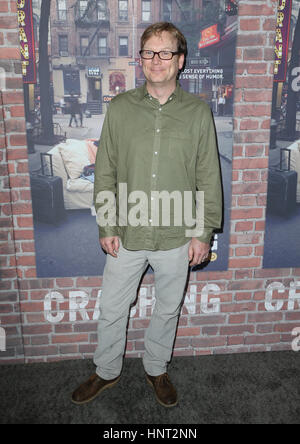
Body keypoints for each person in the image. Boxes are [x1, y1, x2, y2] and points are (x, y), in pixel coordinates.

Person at [71, 22, 222, 408]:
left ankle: (156, 367)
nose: (156, 60)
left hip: (177, 235)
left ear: (180, 60)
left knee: (168, 307)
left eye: (165, 52)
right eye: (148, 52)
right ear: (140, 59)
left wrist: (202, 233)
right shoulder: (120, 109)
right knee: (112, 308)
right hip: (127, 233)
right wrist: (106, 223)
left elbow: (208, 175)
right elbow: (105, 171)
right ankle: (106, 371)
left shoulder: (198, 113)